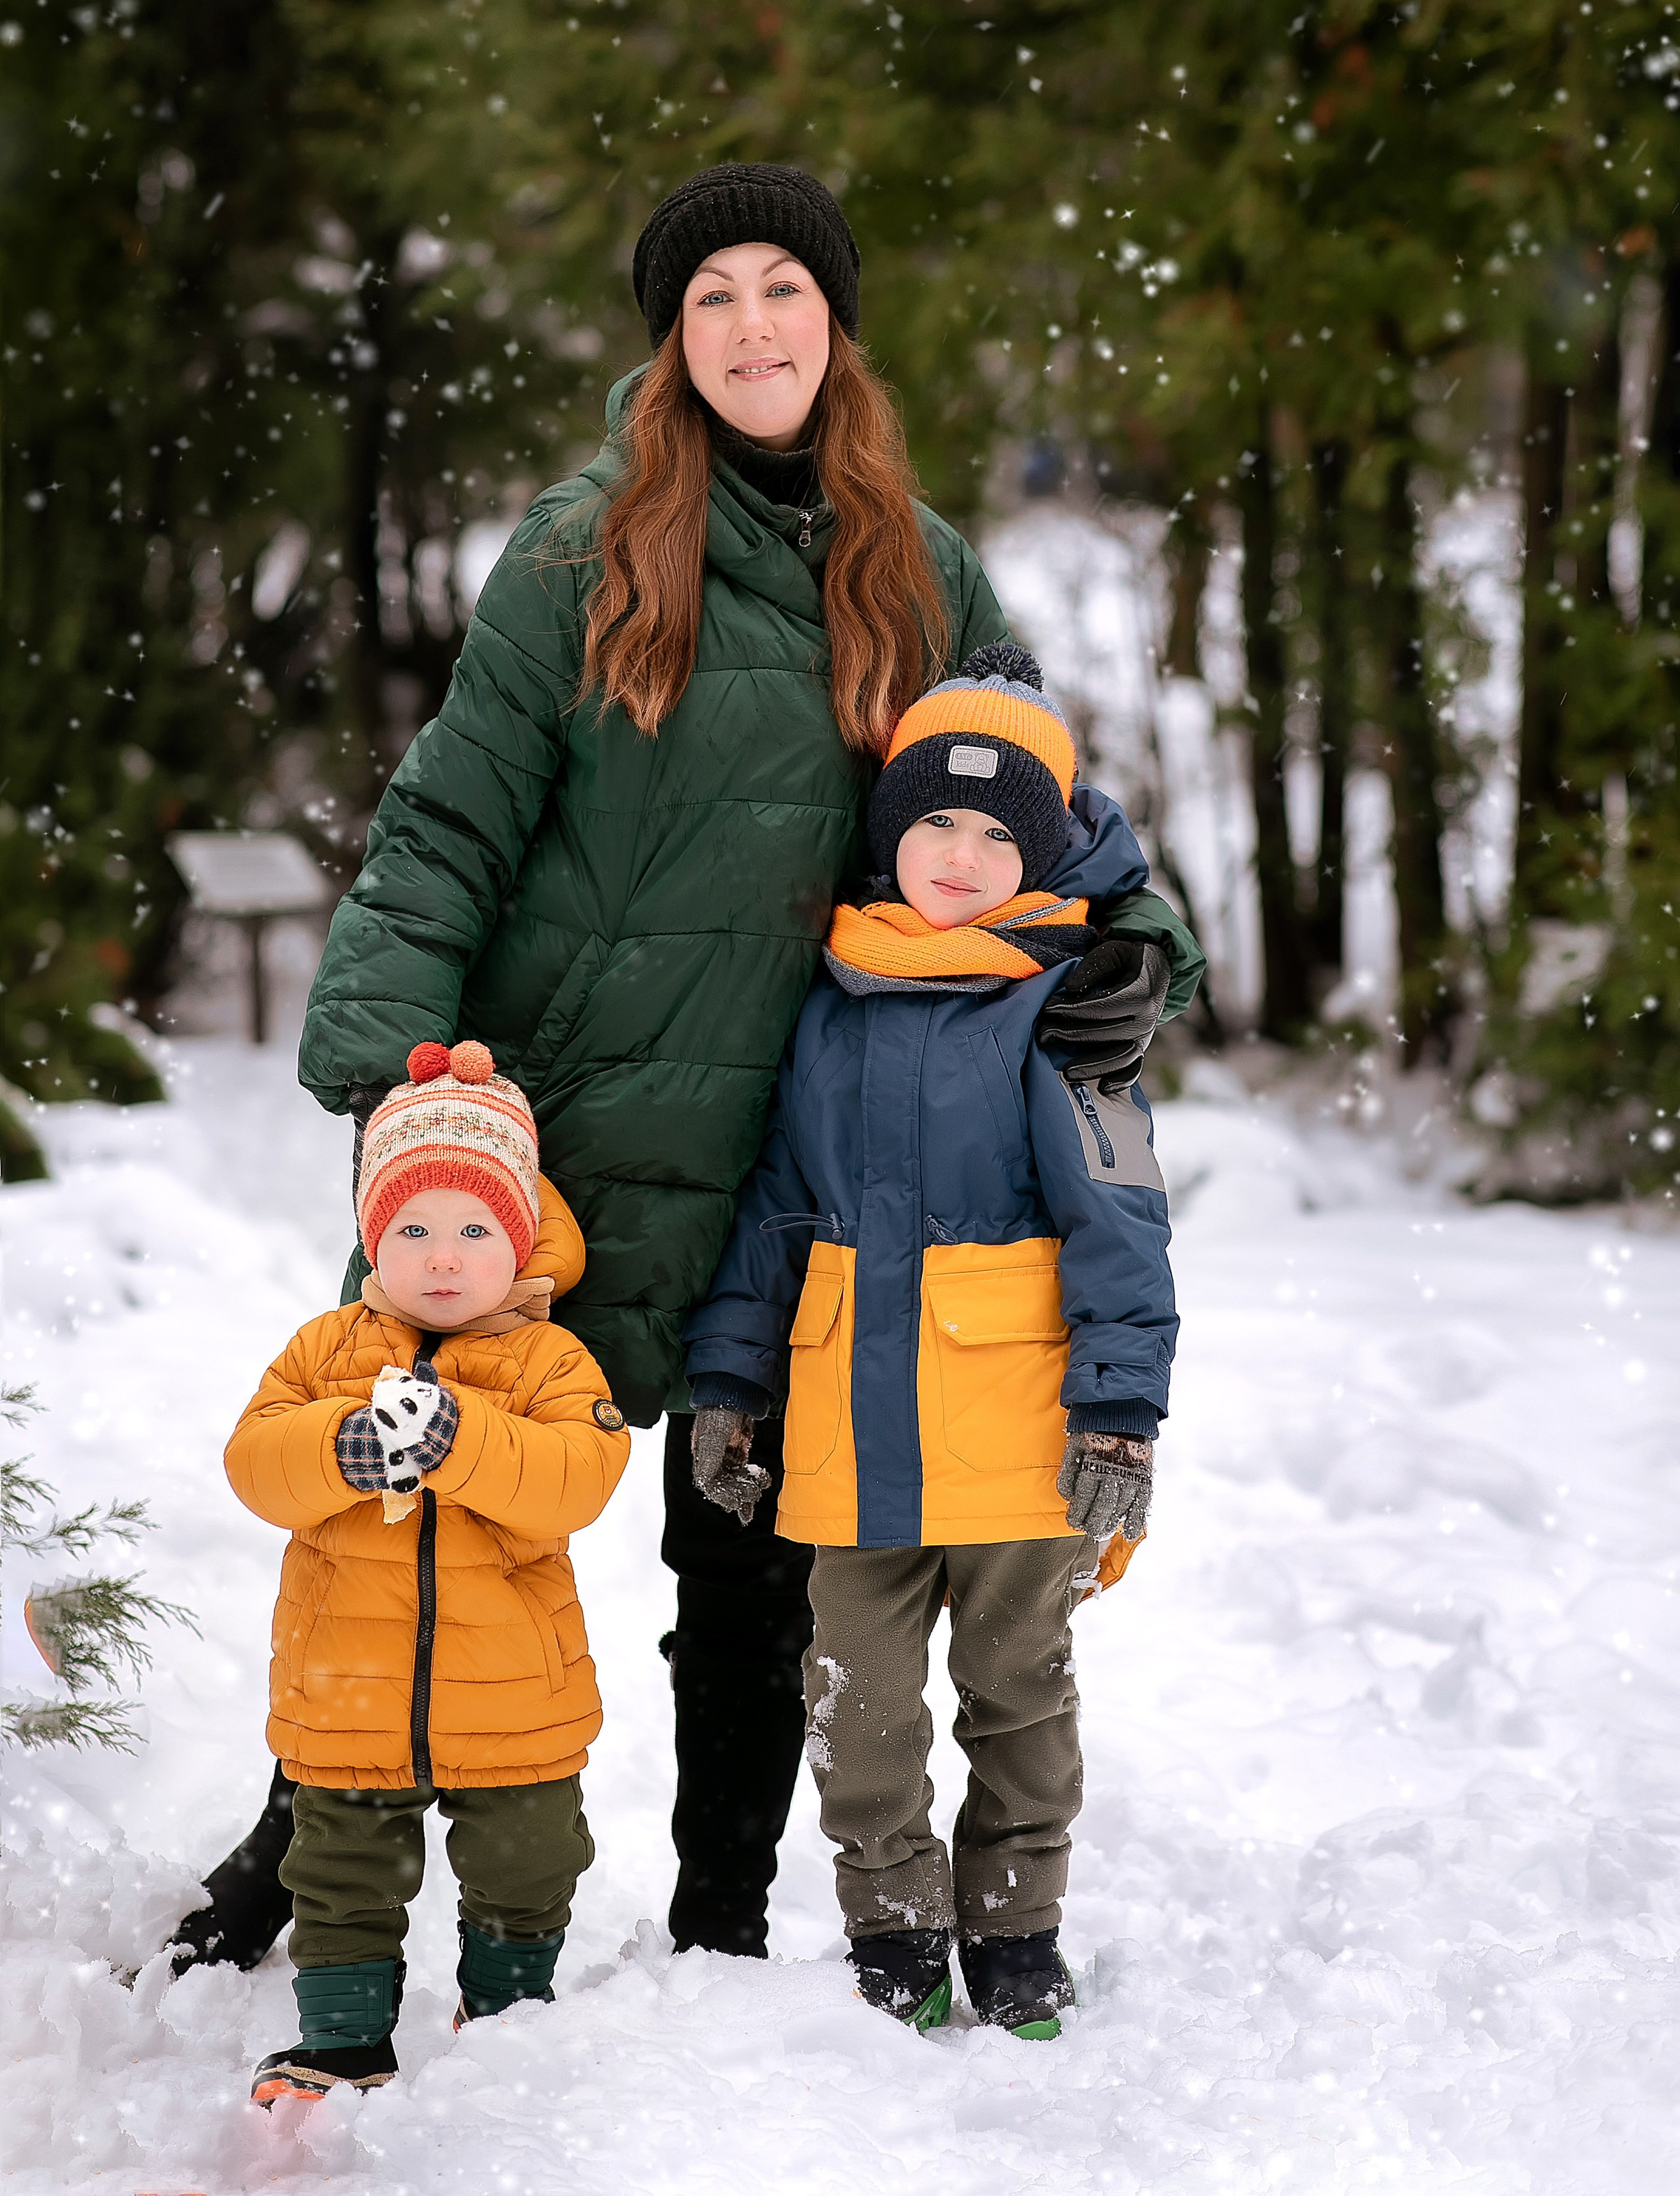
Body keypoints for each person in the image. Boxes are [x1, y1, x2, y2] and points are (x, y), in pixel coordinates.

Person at [172, 162, 1202, 1977]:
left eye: (783, 291)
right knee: (417, 1492)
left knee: (751, 1551)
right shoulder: (582, 549)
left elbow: (1037, 795)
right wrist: (380, 1058)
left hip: (799, 1126)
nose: (752, 327)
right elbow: (452, 819)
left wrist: (1129, 948)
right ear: (673, 339)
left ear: (835, 325)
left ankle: (720, 1921)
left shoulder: (922, 562)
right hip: (567, 1114)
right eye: (713, 296)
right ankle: (291, 1859)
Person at [682, 643, 1176, 2040]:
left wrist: (1118, 1412)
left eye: (992, 832)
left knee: (1017, 1695)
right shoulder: (825, 996)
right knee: (859, 1703)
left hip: (1020, 1440)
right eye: (931, 824)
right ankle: (892, 1927)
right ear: (889, 832)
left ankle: (1013, 1928)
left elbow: (1121, 1222)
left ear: (1038, 851)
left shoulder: (1073, 1009)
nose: (957, 857)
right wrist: (728, 1380)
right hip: (852, 1426)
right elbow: (775, 1212)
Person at [225, 1040, 631, 2101]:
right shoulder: (325, 1350)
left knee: (530, 1861)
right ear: (372, 1239)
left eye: (473, 1230)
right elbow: (256, 1462)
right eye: (411, 1229)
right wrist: (349, 1447)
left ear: (519, 1239)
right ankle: (345, 2037)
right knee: (341, 1872)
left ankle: (506, 2011)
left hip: (516, 1700)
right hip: (344, 1693)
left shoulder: (553, 1362)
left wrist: (461, 1443)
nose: (442, 1257)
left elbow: (577, 1480)